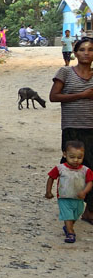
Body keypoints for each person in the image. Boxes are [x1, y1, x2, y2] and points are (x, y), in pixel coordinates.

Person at [50, 37, 93, 225]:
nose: (86, 53)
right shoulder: (66, 72)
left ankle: (89, 211)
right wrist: (82, 95)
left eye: (90, 49)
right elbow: (53, 96)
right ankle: (69, 209)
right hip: (72, 128)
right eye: (82, 49)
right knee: (72, 169)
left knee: (91, 169)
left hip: (91, 128)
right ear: (75, 53)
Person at [44, 140, 93, 243]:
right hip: (64, 197)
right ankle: (70, 233)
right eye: (72, 157)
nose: (76, 160)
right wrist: (48, 191)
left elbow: (90, 182)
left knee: (76, 214)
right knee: (67, 215)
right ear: (65, 154)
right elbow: (51, 177)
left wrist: (84, 192)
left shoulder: (85, 170)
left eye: (79, 157)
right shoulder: (60, 168)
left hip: (78, 198)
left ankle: (68, 227)